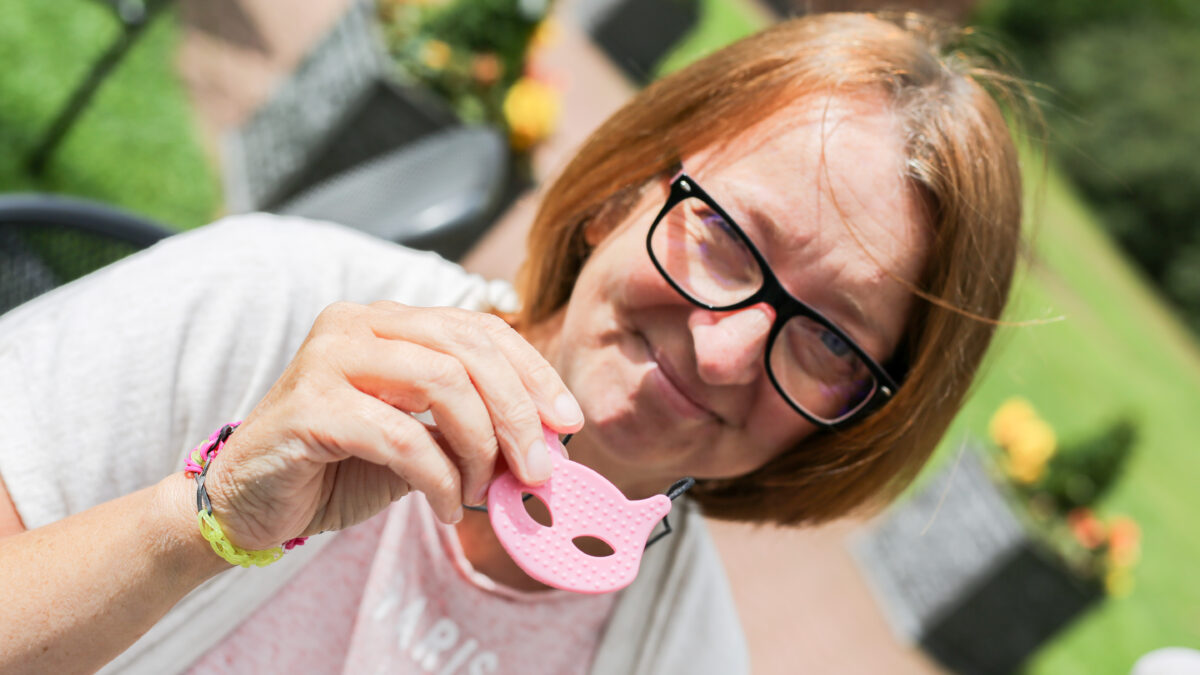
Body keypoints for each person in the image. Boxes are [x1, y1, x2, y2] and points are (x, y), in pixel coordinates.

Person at [0, 11, 1031, 675]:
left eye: (832, 345)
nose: (724, 353)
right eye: (727, 237)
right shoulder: (269, 301)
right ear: (620, 194)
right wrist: (206, 519)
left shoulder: (683, 658)